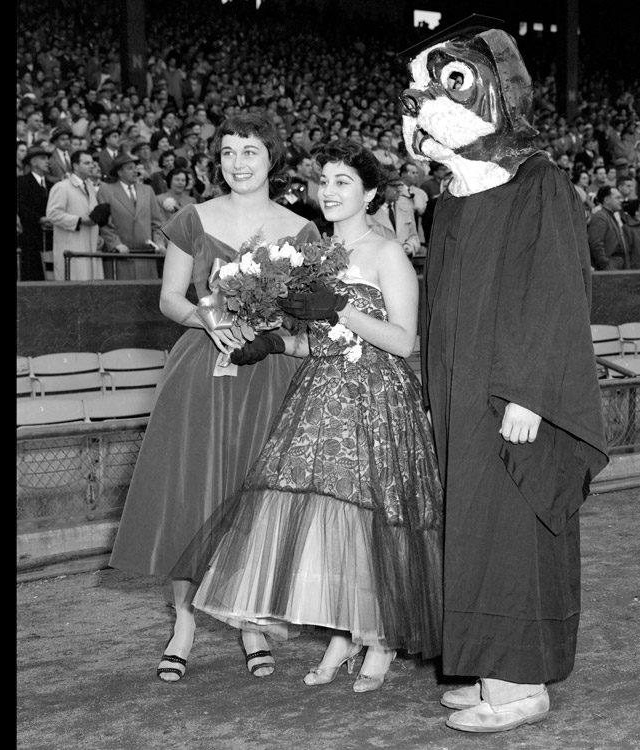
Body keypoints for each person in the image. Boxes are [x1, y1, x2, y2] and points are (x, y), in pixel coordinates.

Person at [176, 140, 444, 693]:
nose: (330, 191)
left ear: (370, 193)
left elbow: (403, 340)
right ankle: (344, 634)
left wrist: (339, 306)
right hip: (321, 394)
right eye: (324, 181)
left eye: (343, 182)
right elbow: (316, 344)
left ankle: (380, 638)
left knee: (371, 519)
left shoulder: (387, 253)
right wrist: (275, 345)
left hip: (377, 401)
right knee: (329, 523)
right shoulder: (314, 256)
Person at [400, 22, 608, 733]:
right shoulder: (455, 196)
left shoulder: (537, 182)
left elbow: (554, 289)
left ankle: (519, 683)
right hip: (461, 395)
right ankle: (490, 661)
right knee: (472, 528)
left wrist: (530, 393)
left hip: (511, 395)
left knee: (511, 530)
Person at [109, 113, 319, 683]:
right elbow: (170, 299)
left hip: (270, 374)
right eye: (227, 151)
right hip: (203, 370)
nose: (237, 162)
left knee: (255, 494)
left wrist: (273, 329)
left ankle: (251, 620)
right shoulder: (191, 219)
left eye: (249, 151)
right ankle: (183, 621)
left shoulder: (302, 231)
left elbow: (309, 312)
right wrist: (211, 321)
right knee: (192, 493)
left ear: (272, 158)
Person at [96, 152, 167, 280]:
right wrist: (116, 244)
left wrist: (159, 243)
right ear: (119, 172)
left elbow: (157, 223)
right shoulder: (106, 191)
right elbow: (104, 224)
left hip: (147, 257)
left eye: (135, 167)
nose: (135, 171)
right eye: (130, 168)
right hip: (121, 257)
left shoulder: (147, 190)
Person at [45, 149, 103, 280]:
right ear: (76, 166)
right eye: (87, 163)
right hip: (71, 248)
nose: (92, 166)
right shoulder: (62, 187)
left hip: (90, 247)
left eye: (92, 163)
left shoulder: (91, 188)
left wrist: (97, 235)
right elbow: (52, 214)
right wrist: (80, 220)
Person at [15, 145, 55, 281]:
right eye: (43, 158)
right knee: (33, 275)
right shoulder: (21, 182)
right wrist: (39, 219)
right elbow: (20, 206)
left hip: (50, 239)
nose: (47, 161)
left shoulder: (52, 186)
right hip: (29, 238)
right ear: (33, 162)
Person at [588, 185, 629, 270]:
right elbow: (595, 244)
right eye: (617, 198)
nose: (621, 201)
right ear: (606, 200)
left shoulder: (610, 216)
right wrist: (605, 265)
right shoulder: (600, 217)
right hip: (609, 266)